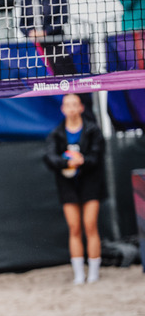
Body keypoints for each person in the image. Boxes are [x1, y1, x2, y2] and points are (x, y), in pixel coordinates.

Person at [43, 93, 105, 284]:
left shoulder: (93, 130)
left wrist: (82, 161)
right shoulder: (56, 134)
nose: (71, 108)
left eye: (74, 104)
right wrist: (67, 163)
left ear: (81, 107)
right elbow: (50, 158)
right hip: (68, 184)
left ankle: (93, 272)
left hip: (90, 182)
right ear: (62, 109)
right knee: (74, 227)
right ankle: (79, 273)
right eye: (67, 105)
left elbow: (97, 156)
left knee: (90, 224)